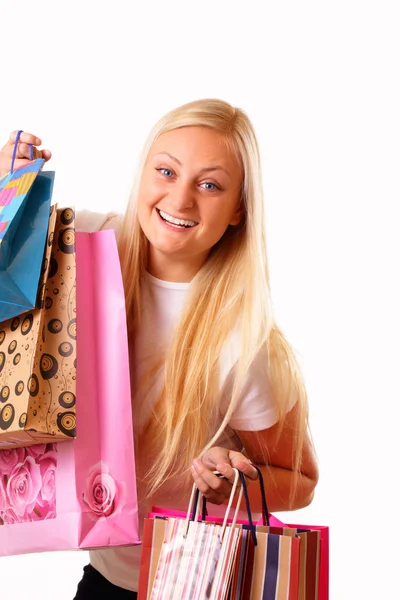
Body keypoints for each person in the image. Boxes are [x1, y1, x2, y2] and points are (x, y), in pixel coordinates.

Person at [0, 99, 319, 598]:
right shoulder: (81, 245)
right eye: (166, 171)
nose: (182, 199)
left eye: (209, 184)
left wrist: (230, 483)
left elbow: (301, 480)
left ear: (239, 209)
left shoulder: (243, 341)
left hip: (200, 582)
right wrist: (6, 192)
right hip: (107, 576)